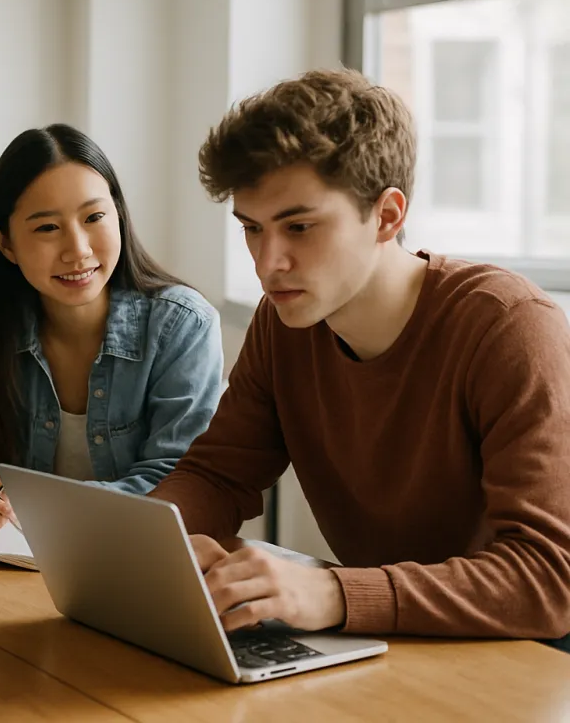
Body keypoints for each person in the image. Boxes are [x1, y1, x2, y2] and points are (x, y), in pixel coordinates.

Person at [149, 68, 570, 645]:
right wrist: (146, 544)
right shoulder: (285, 322)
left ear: (388, 216)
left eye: (299, 226)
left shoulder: (508, 327)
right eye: (252, 228)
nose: (268, 262)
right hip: (393, 642)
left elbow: (550, 577)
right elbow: (219, 475)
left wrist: (333, 593)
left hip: (527, 656)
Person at [0, 124, 224, 539]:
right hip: (12, 566)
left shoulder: (182, 325)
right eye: (47, 228)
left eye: (95, 217)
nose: (78, 249)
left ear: (118, 215)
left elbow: (176, 478)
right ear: (5, 243)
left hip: (136, 556)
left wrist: (47, 508)